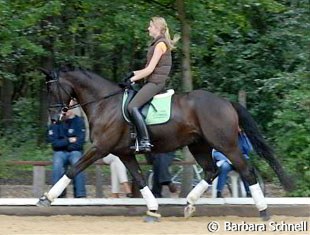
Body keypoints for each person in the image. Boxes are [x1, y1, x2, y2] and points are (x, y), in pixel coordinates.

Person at [122, 16, 179, 153]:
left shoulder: (160, 45)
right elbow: (147, 69)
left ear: (157, 28)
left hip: (156, 83)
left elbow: (149, 69)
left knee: (132, 106)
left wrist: (131, 79)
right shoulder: (156, 43)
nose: (148, 28)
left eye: (150, 26)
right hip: (152, 81)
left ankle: (145, 141)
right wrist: (132, 74)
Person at [48, 99, 87, 198]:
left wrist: (64, 142)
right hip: (60, 152)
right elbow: (54, 144)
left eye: (69, 107)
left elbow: (79, 143)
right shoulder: (56, 122)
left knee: (77, 161)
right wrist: (69, 140)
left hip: (75, 152)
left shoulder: (79, 122)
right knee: (57, 163)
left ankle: (80, 195)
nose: (66, 110)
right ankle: (57, 194)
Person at [212, 128, 253, 198]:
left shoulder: (242, 137)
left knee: (244, 167)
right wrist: (227, 159)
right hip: (228, 161)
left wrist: (243, 136)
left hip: (239, 161)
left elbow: (249, 150)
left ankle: (248, 192)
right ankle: (219, 192)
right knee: (224, 167)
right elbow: (216, 152)